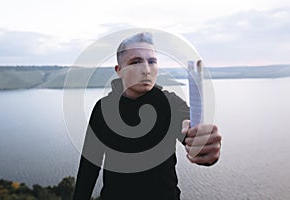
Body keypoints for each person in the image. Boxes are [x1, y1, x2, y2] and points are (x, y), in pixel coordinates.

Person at [73, 32, 222, 200]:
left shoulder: (170, 103)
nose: (146, 69)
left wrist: (202, 143)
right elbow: (88, 167)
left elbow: (188, 128)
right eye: (136, 62)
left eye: (152, 61)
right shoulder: (103, 108)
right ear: (119, 71)